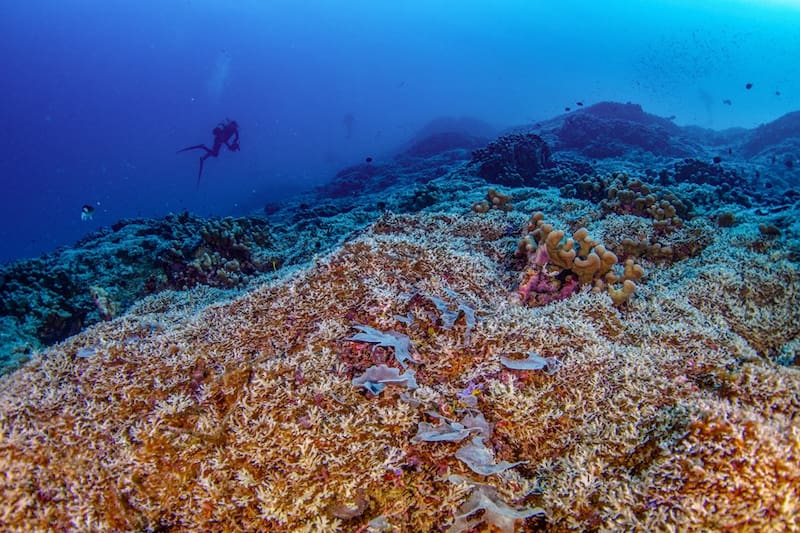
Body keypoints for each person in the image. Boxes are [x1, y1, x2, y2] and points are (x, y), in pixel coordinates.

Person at [178, 119, 240, 185]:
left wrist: (230, 145)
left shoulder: (232, 129)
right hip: (219, 140)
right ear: (234, 125)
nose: (236, 127)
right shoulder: (233, 129)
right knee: (215, 154)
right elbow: (226, 138)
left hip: (219, 140)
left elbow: (228, 139)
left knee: (214, 153)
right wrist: (230, 145)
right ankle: (202, 147)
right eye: (235, 126)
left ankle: (203, 157)